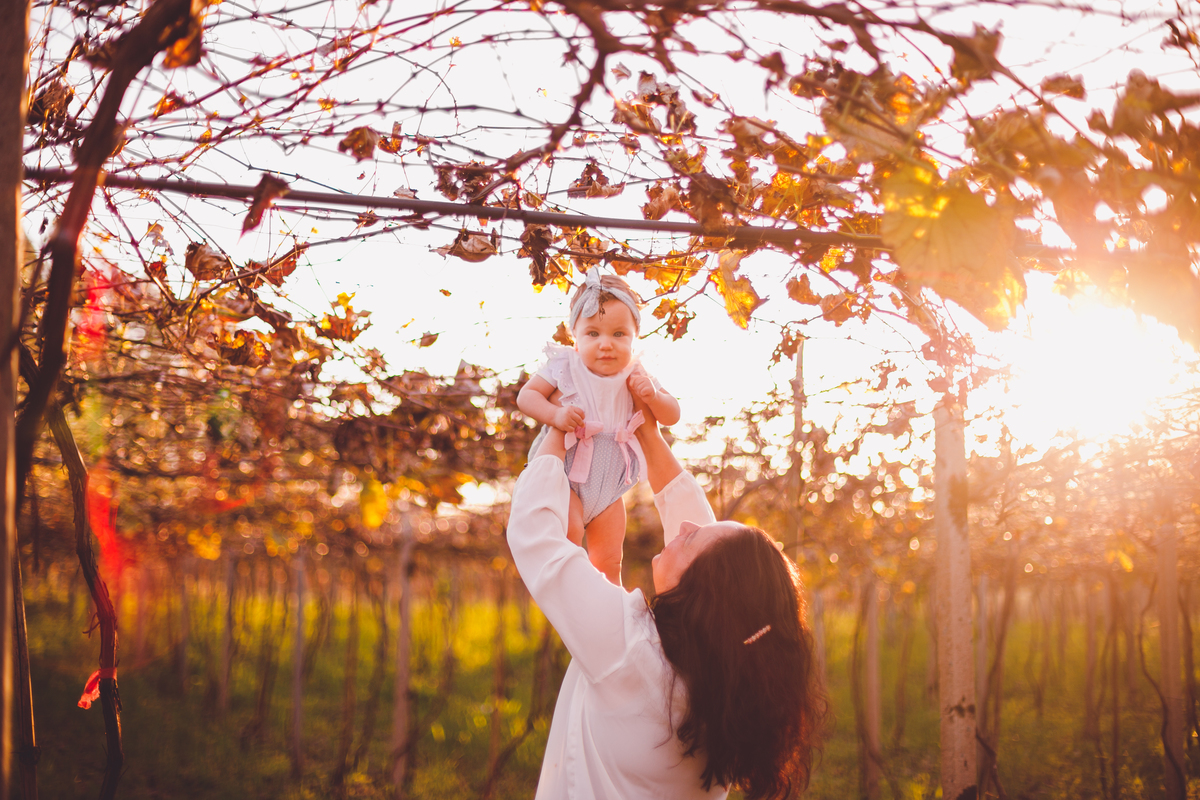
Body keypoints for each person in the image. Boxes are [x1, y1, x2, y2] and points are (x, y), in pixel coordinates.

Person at [506, 387, 828, 800]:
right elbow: (707, 545)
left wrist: (554, 429)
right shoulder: (725, 687)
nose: (686, 528)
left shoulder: (630, 650)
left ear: (705, 595)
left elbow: (537, 539)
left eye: (693, 539)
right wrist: (648, 434)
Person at [517, 268, 680, 585]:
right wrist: (556, 415)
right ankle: (572, 596)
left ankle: (612, 609)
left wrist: (654, 396)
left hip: (609, 482)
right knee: (569, 535)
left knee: (609, 559)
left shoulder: (637, 372)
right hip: (566, 475)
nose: (606, 344)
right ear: (575, 335)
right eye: (593, 334)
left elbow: (672, 414)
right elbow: (527, 397)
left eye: (619, 334)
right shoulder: (565, 364)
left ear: (634, 337)